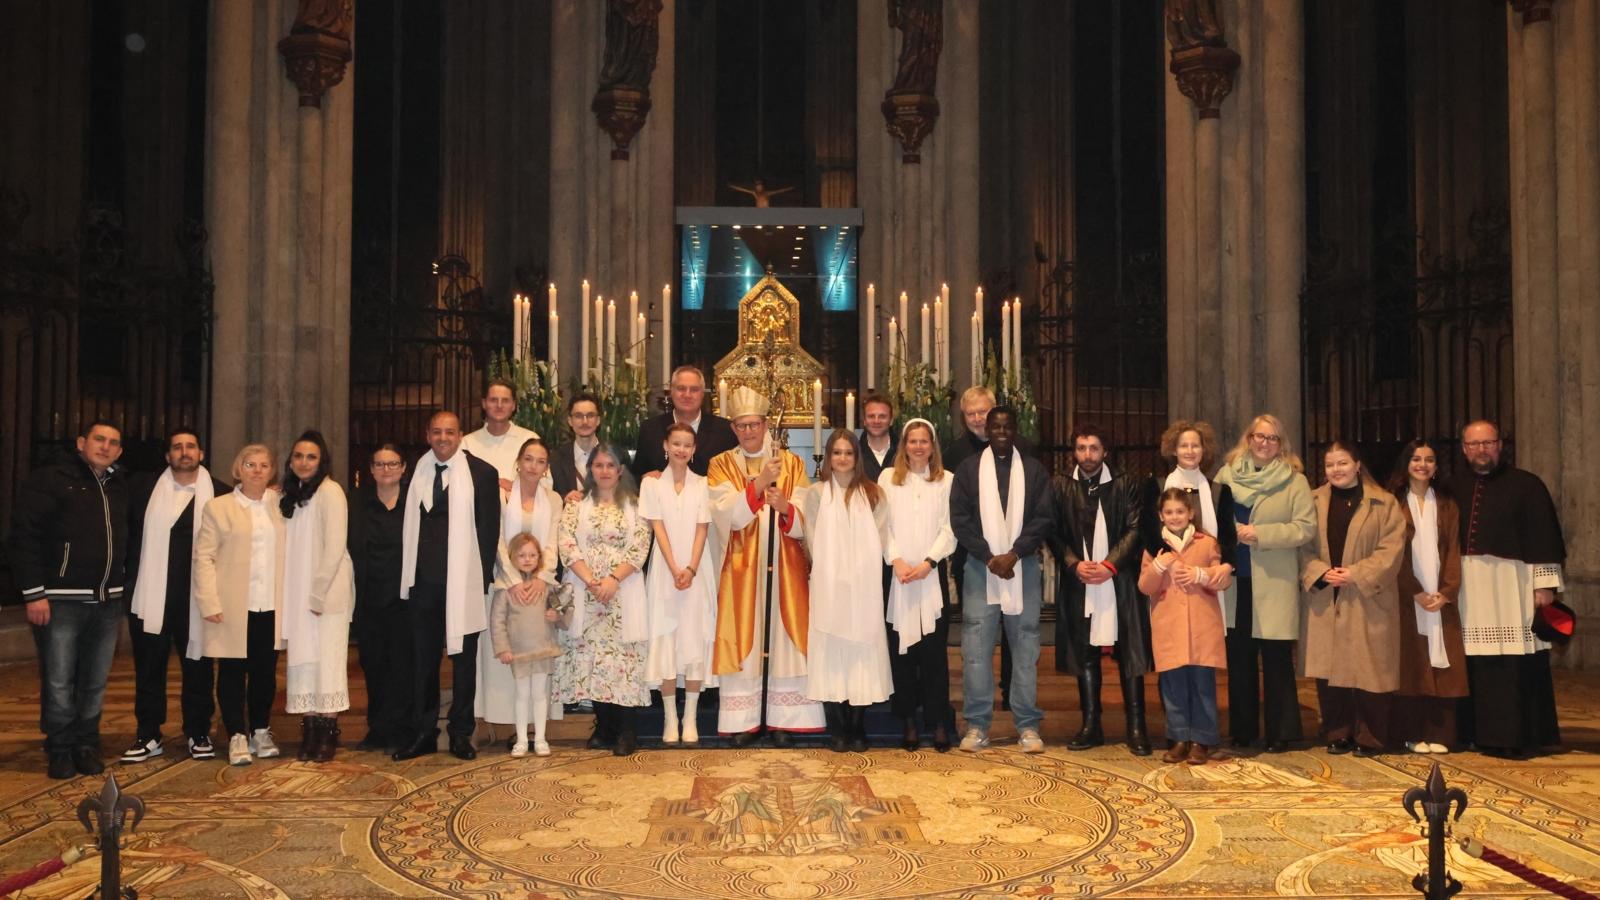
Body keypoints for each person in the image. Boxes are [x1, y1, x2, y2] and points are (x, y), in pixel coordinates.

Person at [10, 420, 130, 778]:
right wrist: (34, 593)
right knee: (59, 678)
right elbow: (23, 536)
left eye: (113, 442)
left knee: (95, 680)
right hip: (60, 601)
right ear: (82, 442)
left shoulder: (120, 485)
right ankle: (60, 747)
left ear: (119, 451)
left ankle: (86, 742)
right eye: (99, 439)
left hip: (108, 602)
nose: (105, 446)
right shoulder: (51, 479)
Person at [707, 385, 826, 744]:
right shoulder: (721, 464)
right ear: (733, 429)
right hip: (741, 568)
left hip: (784, 566)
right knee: (746, 635)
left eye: (754, 424)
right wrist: (758, 485)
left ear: (765, 425)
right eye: (741, 426)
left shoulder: (791, 463)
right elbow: (723, 513)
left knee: (785, 635)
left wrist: (787, 509)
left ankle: (782, 719)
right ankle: (744, 720)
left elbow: (807, 511)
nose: (748, 431)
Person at [1449, 419, 1567, 759]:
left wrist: (1545, 585)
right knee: (1473, 663)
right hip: (1468, 587)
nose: (1481, 450)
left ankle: (1513, 736)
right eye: (1474, 444)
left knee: (1513, 663)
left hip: (1513, 584)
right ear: (1464, 449)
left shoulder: (1527, 485)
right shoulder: (1451, 486)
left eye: (1488, 442)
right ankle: (1471, 732)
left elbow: (1544, 537)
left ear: (1500, 445)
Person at [392, 411, 501, 762]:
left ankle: (460, 734)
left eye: (449, 432)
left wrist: (479, 581)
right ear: (427, 435)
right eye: (436, 432)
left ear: (460, 436)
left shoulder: (482, 474)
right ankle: (423, 732)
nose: (443, 438)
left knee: (464, 664)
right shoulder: (417, 473)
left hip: (463, 585)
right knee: (422, 662)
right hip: (423, 584)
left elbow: (488, 532)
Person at [950, 405, 1054, 753]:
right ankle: (977, 725)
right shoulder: (967, 470)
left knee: (1025, 648)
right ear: (987, 430)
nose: (1001, 432)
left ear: (1015, 428)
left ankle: (1027, 725)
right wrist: (988, 555)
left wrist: (1015, 553)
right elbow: (960, 518)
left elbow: (1043, 517)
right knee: (976, 650)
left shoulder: (1035, 470)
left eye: (1007, 426)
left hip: (1021, 565)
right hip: (981, 567)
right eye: (995, 426)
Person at [122, 428, 228, 764]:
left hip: (197, 600)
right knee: (149, 668)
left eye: (191, 446)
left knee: (198, 669)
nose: (185, 452)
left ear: (201, 453)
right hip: (150, 596)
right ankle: (148, 733)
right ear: (168, 455)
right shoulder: (142, 490)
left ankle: (198, 732)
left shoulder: (222, 495)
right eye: (177, 447)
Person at [1213, 413, 1316, 753]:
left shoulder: (1295, 482)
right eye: (1259, 436)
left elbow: (1304, 527)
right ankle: (1243, 731)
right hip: (1235, 582)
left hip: (1274, 582)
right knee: (1240, 660)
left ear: (1281, 444)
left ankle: (1281, 733)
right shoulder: (1225, 478)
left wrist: (1260, 534)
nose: (1264, 443)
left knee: (1275, 661)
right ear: (1249, 438)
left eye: (1272, 438)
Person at [1299, 441, 1406, 757]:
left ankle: (1371, 736)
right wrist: (1318, 571)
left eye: (1343, 463)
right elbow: (1301, 546)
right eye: (1330, 464)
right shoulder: (1312, 501)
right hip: (1326, 595)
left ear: (1358, 465)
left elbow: (1391, 550)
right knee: (1329, 669)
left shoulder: (1384, 503)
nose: (1336, 470)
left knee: (1370, 668)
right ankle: (1337, 731)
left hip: (1366, 596)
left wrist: (1357, 573)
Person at [1052, 423, 1151, 756]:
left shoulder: (1126, 483)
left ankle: (1136, 727)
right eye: (1081, 448)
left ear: (1105, 451)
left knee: (1129, 654)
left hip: (1118, 580)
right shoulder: (1061, 485)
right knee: (1086, 653)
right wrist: (1072, 564)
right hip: (1081, 580)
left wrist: (1110, 564)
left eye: (1094, 448)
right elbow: (1054, 532)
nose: (1087, 455)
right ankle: (1090, 725)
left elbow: (1136, 528)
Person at [553, 444, 653, 755]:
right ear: (590, 470)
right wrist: (592, 581)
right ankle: (604, 726)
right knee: (592, 659)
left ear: (621, 469)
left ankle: (626, 731)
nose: (605, 471)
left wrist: (612, 580)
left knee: (621, 661)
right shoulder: (575, 506)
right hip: (586, 590)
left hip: (623, 591)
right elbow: (566, 544)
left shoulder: (637, 506)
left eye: (611, 465)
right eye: (599, 465)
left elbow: (640, 546)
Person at [799, 429, 893, 752]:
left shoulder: (874, 493)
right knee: (832, 652)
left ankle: (857, 726)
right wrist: (832, 573)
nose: (842, 459)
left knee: (861, 654)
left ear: (857, 457)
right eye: (836, 452)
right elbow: (811, 539)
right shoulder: (815, 494)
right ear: (829, 457)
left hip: (864, 587)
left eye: (848, 453)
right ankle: (837, 727)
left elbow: (881, 539)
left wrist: (857, 573)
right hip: (828, 586)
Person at [193, 443, 285, 767]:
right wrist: (209, 601)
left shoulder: (282, 505)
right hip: (233, 604)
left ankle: (261, 729)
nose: (257, 470)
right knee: (232, 671)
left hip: (271, 604)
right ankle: (236, 734)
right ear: (238, 469)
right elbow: (203, 557)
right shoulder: (218, 508)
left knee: (265, 673)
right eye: (250, 464)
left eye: (263, 465)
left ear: (272, 471)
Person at [941, 386, 1030, 710]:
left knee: (1015, 629)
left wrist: (1015, 551)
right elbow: (956, 512)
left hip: (1017, 557)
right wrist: (985, 553)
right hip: (975, 558)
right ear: (963, 418)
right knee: (977, 631)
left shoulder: (1023, 451)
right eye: (971, 413)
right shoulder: (954, 455)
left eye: (983, 412)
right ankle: (978, 700)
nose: (978, 419)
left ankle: (1010, 693)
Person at [877, 419, 957, 751]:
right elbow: (882, 525)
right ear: (904, 445)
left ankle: (937, 722)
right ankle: (908, 721)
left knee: (934, 656)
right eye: (913, 441)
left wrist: (928, 563)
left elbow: (950, 528)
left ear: (932, 446)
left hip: (929, 577)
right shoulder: (887, 479)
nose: (919, 447)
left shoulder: (947, 480)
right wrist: (896, 559)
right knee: (903, 655)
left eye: (924, 441)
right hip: (898, 577)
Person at [1137, 487, 1231, 765]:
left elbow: (1223, 578)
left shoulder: (1207, 543)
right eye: (1169, 512)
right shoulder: (1154, 547)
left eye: (1180, 511)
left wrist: (1202, 574)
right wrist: (1158, 567)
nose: (1175, 516)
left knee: (1203, 685)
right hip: (1169, 627)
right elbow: (1144, 586)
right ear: (1160, 516)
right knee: (1173, 685)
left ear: (1190, 513)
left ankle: (1202, 740)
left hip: (1203, 625)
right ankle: (1179, 738)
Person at [479, 438, 564, 742]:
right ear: (518, 461)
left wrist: (541, 576)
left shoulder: (553, 500)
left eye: (540, 461)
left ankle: (536, 733)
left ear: (546, 468)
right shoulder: (502, 495)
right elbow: (498, 539)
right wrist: (514, 577)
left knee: (538, 666)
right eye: (528, 459)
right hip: (507, 584)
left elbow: (552, 541)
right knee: (508, 661)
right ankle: (509, 728)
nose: (533, 466)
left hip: (540, 586)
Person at [1386, 439, 1467, 754]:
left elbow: (1454, 551)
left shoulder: (1447, 504)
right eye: (1416, 458)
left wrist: (1447, 592)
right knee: (1411, 661)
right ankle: (1411, 734)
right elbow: (1394, 555)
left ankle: (1441, 735)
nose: (1423, 464)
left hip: (1440, 596)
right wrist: (1415, 591)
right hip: (1408, 596)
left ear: (1436, 467)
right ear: (1405, 464)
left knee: (1444, 662)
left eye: (1429, 459)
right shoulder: (1393, 503)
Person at [279, 430, 355, 762]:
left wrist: (318, 593)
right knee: (304, 664)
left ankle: (328, 735)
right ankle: (308, 731)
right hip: (298, 592)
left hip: (327, 593)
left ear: (321, 461)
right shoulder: (289, 496)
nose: (304, 462)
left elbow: (335, 547)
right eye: (298, 456)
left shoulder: (331, 491)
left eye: (311, 457)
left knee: (328, 663)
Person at [640, 423, 719, 744]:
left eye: (687, 445)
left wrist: (691, 568)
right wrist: (674, 568)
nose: (681, 450)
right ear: (665, 445)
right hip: (664, 570)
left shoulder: (703, 484)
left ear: (694, 449)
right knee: (667, 640)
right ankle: (670, 717)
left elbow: (702, 529)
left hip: (697, 572)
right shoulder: (651, 485)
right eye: (676, 444)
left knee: (694, 638)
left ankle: (691, 717)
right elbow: (657, 528)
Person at [347, 444, 413, 753]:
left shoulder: (414, 502)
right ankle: (378, 728)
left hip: (405, 601)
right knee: (373, 666)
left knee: (403, 666)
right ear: (371, 470)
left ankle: (402, 729)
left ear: (403, 468)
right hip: (369, 598)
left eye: (392, 464)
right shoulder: (355, 504)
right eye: (380, 464)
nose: (386, 470)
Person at [490, 532, 569, 757]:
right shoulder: (505, 588)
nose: (527, 559)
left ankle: (541, 738)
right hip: (519, 653)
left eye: (532, 555)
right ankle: (522, 740)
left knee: (540, 694)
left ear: (540, 558)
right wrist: (503, 648)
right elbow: (497, 620)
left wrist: (558, 617)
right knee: (522, 695)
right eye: (521, 555)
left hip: (543, 649)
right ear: (512, 557)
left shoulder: (548, 586)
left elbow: (564, 610)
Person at [631, 365, 738, 480]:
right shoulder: (650, 429)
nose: (687, 395)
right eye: (681, 388)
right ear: (671, 391)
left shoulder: (725, 431)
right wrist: (644, 478)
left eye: (694, 390)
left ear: (702, 394)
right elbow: (636, 476)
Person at [461, 378, 538, 494]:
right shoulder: (467, 444)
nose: (499, 405)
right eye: (493, 400)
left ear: (513, 405)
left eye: (505, 400)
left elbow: (545, 482)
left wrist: (516, 487)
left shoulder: (529, 440)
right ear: (484, 404)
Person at [551, 393, 602, 502]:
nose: (585, 421)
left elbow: (629, 493)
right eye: (578, 416)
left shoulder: (616, 456)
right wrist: (564, 498)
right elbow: (545, 495)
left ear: (598, 420)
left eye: (590, 415)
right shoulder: (555, 458)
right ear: (570, 420)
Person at [858, 393, 897, 483]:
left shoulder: (903, 452)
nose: (876, 421)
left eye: (882, 416)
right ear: (864, 420)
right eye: (871, 416)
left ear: (891, 420)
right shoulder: (854, 453)